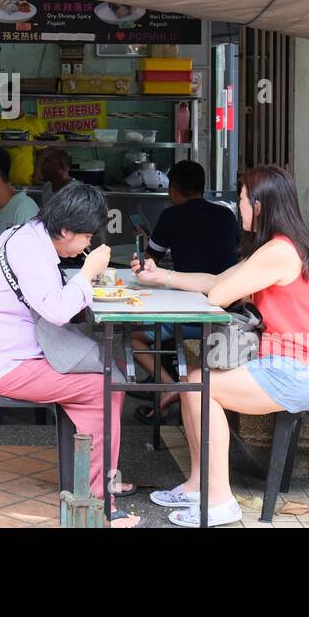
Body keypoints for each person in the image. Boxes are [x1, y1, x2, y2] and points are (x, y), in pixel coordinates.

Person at [132, 165, 309, 527]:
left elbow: (219, 294)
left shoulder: (279, 252)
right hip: (290, 361)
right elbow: (218, 279)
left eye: (243, 200)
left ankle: (220, 501)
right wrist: (162, 277)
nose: (238, 207)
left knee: (201, 388)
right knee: (193, 382)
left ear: (260, 206)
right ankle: (198, 487)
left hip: (308, 369)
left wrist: (200, 285)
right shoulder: (276, 247)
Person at [0, 183, 140, 527]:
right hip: (7, 366)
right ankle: (98, 501)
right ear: (65, 229)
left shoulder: (28, 235)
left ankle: (103, 477)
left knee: (111, 373)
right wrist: (89, 273)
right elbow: (58, 311)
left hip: (13, 352)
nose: (88, 244)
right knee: (104, 389)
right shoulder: (30, 251)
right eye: (86, 236)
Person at [131, 161, 243, 422]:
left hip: (192, 316)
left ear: (173, 189)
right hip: (228, 310)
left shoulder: (171, 216)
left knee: (132, 336)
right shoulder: (226, 214)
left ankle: (170, 386)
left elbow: (150, 261)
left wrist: (147, 241)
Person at [0, 110, 46, 186]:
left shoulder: (33, 121)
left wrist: (36, 176)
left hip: (25, 182)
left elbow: (41, 152)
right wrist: (1, 145)